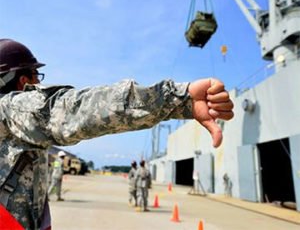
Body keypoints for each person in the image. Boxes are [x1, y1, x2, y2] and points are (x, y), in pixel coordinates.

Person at [0, 38, 234, 229]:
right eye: (35, 76)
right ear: (22, 82)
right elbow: (73, 110)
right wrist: (180, 98)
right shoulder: (12, 108)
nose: (38, 84)